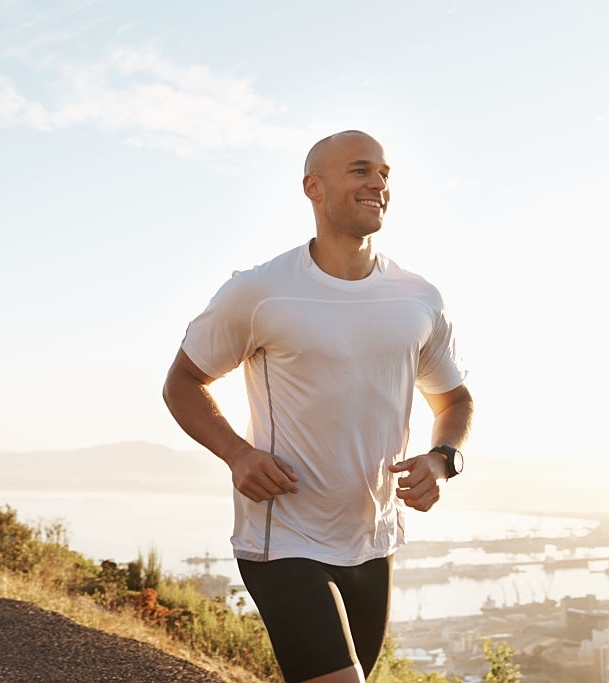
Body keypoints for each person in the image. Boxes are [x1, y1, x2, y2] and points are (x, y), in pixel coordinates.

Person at [162, 130, 473, 683]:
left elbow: (454, 399)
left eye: (384, 173)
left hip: (373, 541)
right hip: (283, 538)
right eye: (360, 170)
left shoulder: (418, 297)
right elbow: (183, 382)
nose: (378, 183)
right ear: (314, 187)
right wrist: (237, 454)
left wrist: (442, 459)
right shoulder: (260, 291)